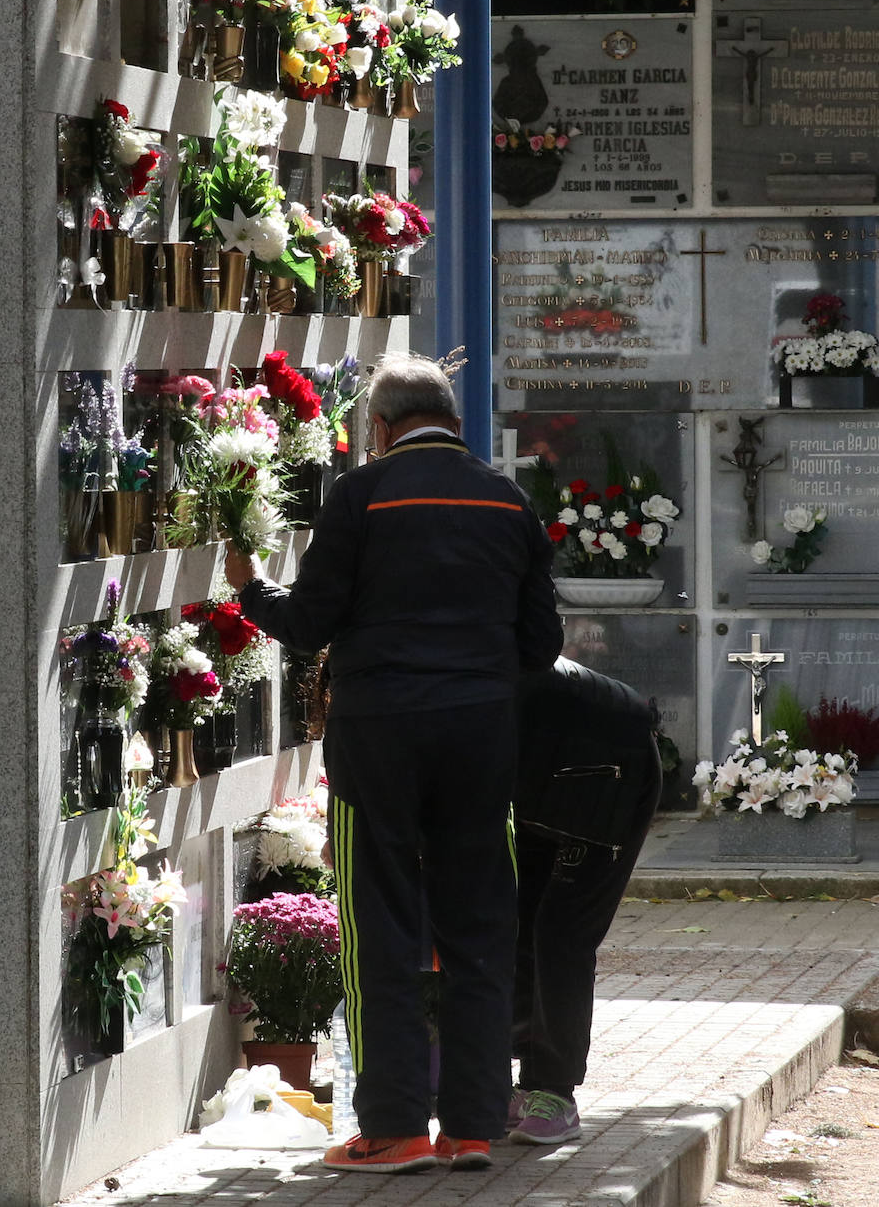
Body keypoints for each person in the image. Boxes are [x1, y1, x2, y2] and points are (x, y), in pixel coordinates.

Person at [225, 352, 563, 1173]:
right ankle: (476, 1125)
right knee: (481, 925)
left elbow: (310, 622)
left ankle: (394, 1125)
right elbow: (543, 643)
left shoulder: (362, 495)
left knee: (379, 924)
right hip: (481, 738)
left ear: (378, 428)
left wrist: (249, 591)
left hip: (378, 736)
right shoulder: (509, 500)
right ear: (451, 420)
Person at [507, 655, 662, 1145]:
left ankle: (554, 1092)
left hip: (608, 773)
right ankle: (524, 1083)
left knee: (560, 933)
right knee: (517, 924)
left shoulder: (462, 665)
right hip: (537, 776)